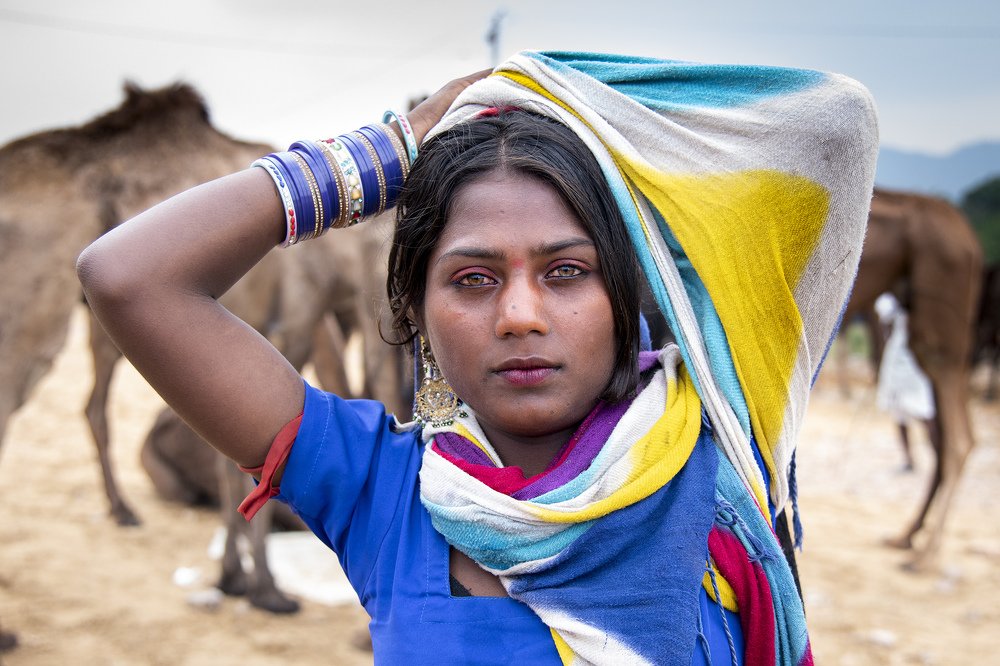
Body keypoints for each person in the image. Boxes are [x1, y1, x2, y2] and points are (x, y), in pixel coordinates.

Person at [78, 51, 878, 664]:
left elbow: (838, 124)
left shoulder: (717, 454)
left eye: (567, 272)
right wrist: (398, 146)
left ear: (623, 291)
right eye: (473, 279)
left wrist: (557, 89)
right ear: (418, 314)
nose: (520, 315)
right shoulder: (383, 493)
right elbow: (128, 279)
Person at [874, 292, 938, 471]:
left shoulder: (902, 300)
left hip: (910, 363)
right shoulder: (895, 299)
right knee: (900, 413)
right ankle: (909, 460)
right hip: (899, 362)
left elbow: (885, 325)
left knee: (923, 412)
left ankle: (939, 458)